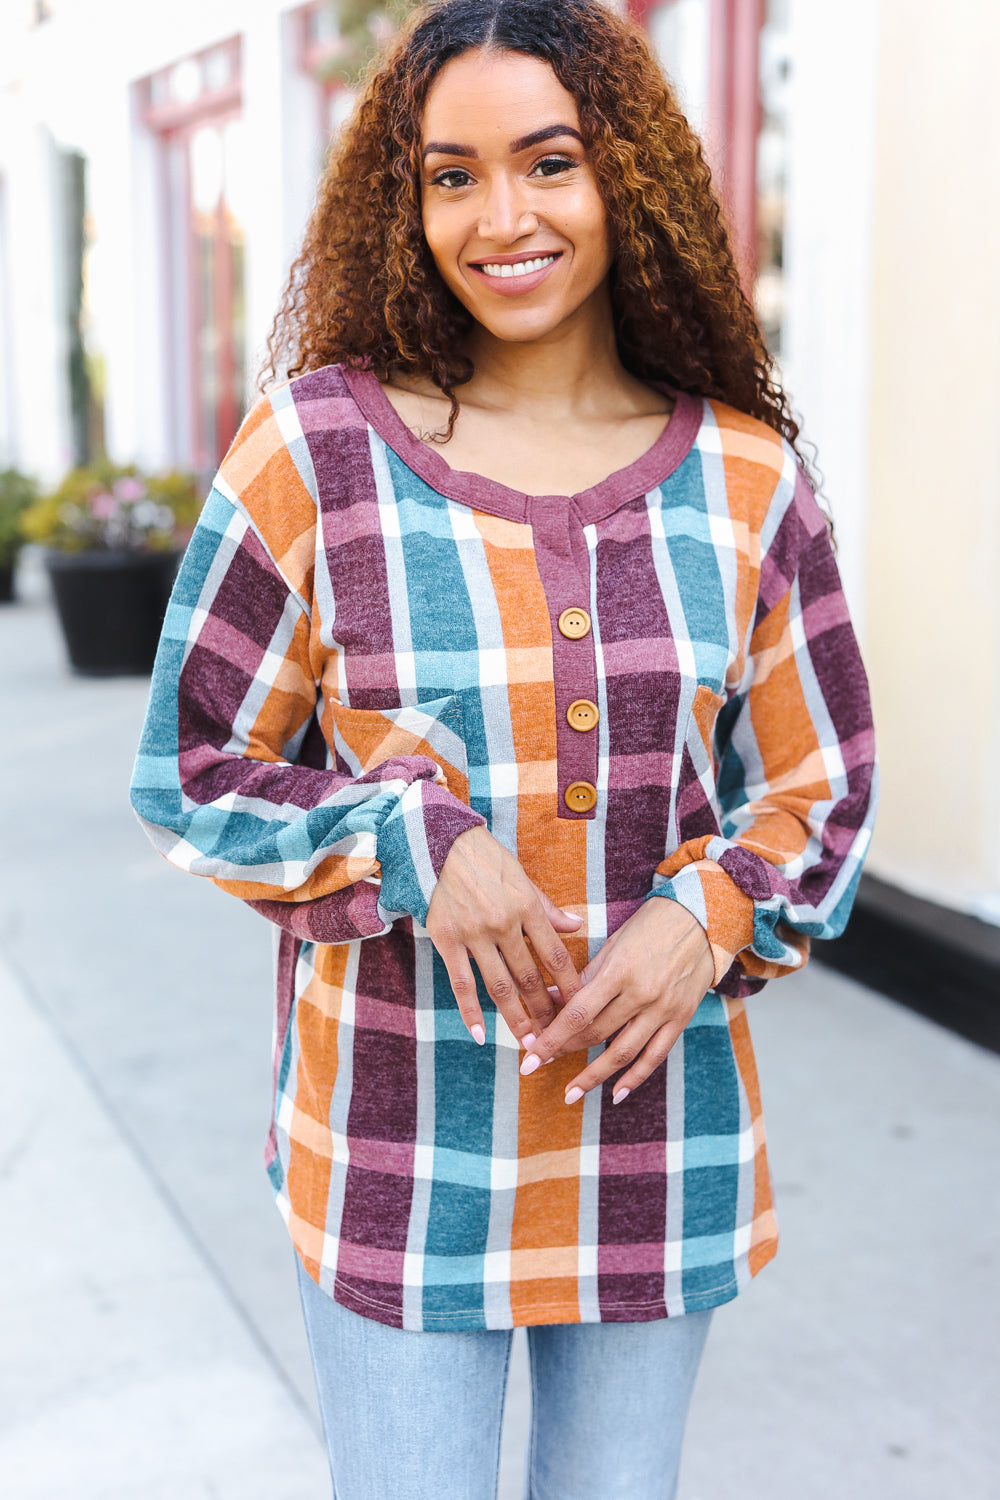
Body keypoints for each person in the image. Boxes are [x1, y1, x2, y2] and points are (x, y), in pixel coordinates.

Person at [130, 1, 877, 1495]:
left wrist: (705, 913)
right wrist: (413, 842)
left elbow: (823, 784)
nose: (502, 216)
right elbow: (192, 767)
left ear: (627, 180)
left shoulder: (746, 478)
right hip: (399, 1156)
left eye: (550, 161)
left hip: (656, 1151)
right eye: (450, 174)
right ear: (403, 204)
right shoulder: (315, 452)